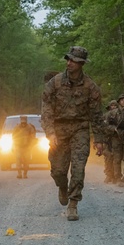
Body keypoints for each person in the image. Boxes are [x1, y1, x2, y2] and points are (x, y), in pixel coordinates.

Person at [41, 46, 105, 220]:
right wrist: (50, 133)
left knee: (78, 168)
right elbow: (46, 110)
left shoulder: (91, 87)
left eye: (73, 60)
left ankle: (73, 204)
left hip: (80, 130)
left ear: (81, 63)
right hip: (59, 130)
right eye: (68, 59)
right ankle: (62, 187)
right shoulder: (54, 83)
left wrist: (99, 139)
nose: (68, 63)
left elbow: (97, 115)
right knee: (58, 171)